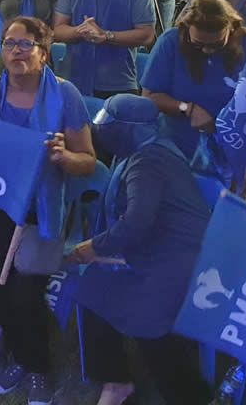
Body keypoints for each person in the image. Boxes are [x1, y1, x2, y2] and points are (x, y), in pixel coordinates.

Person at [0, 16, 95, 405]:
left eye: (25, 44)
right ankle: (19, 355)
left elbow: (88, 161)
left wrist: (63, 157)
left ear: (44, 53)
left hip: (43, 210)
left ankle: (38, 369)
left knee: (24, 291)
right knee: (1, 290)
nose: (16, 52)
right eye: (9, 44)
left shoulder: (65, 95)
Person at [68, 95, 213, 405]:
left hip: (180, 258)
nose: (101, 130)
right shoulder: (141, 151)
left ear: (130, 129)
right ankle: (116, 380)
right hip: (151, 247)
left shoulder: (149, 161)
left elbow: (137, 220)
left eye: (108, 124)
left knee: (147, 318)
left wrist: (96, 246)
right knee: (94, 287)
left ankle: (189, 396)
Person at [140, 0, 246, 159]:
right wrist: (187, 108)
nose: (207, 50)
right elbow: (150, 96)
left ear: (231, 29)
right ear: (187, 29)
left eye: (216, 45)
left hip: (231, 145)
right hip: (177, 145)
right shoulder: (170, 41)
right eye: (198, 44)